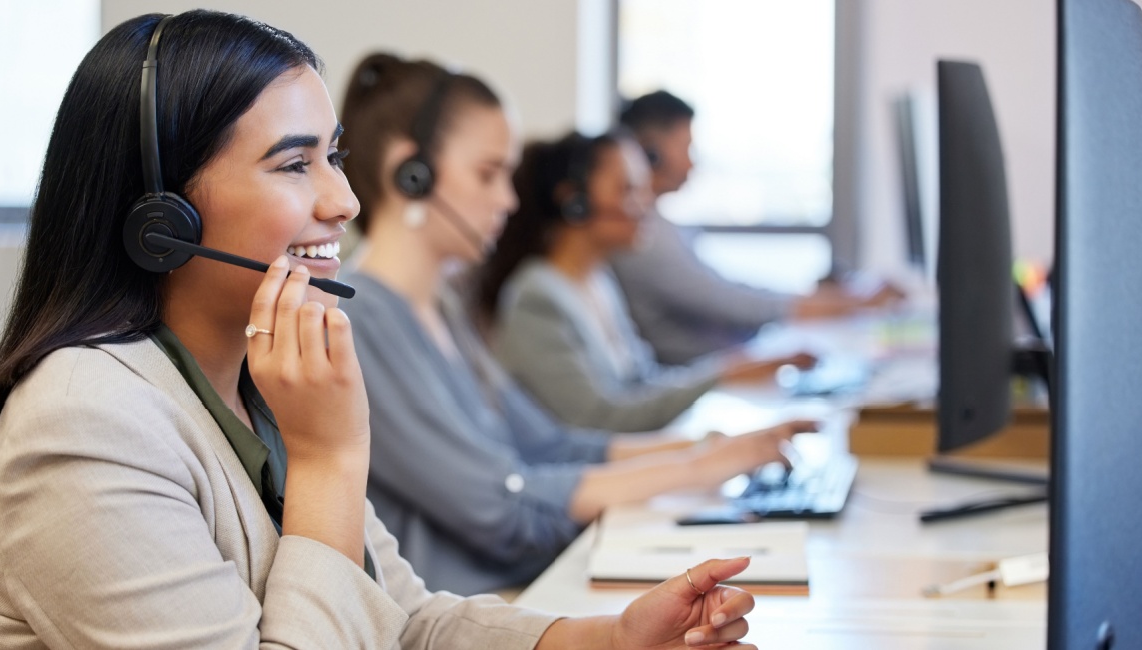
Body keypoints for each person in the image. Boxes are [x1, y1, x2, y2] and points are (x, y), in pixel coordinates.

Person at [0, 12, 767, 648]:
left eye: (335, 156)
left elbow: (398, 622)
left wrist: (607, 638)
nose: (343, 201)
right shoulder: (84, 424)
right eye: (294, 163)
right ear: (161, 218)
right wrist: (330, 461)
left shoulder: (254, 377)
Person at [337, 52, 816, 596]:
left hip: (526, 584)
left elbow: (550, 446)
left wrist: (705, 450)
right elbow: (499, 506)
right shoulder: (361, 320)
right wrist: (693, 470)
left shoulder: (441, 307)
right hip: (472, 608)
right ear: (411, 173)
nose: (509, 199)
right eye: (489, 173)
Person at [476, 131, 814, 433]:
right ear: (574, 201)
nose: (646, 203)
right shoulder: (537, 297)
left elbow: (643, 382)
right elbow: (599, 419)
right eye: (628, 190)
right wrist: (720, 377)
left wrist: (730, 371)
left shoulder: (597, 278)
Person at [611, 90, 901, 365]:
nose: (692, 163)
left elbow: (728, 290)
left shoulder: (658, 226)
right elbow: (730, 303)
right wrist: (850, 303)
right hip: (708, 376)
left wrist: (832, 299)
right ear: (650, 153)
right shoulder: (642, 237)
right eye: (686, 147)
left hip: (726, 366)